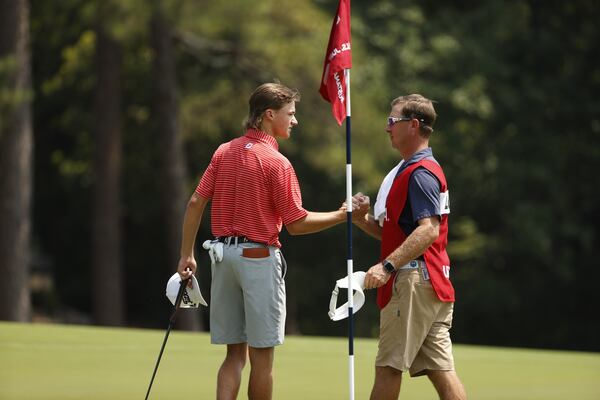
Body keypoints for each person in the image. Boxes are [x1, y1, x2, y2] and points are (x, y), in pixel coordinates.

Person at [176, 82, 367, 400]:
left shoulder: (224, 151)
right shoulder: (278, 163)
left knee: (234, 356)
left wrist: (186, 255)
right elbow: (297, 224)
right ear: (268, 115)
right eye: (290, 114)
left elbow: (196, 202)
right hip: (257, 259)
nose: (295, 121)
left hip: (221, 257)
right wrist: (343, 215)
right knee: (261, 359)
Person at [353, 94, 467, 400]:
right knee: (441, 370)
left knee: (388, 368)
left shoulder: (420, 173)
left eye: (393, 121)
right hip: (432, 282)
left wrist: (387, 266)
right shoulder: (413, 169)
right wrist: (362, 220)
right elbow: (399, 235)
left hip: (414, 282)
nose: (387, 128)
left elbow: (428, 230)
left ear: (413, 125)